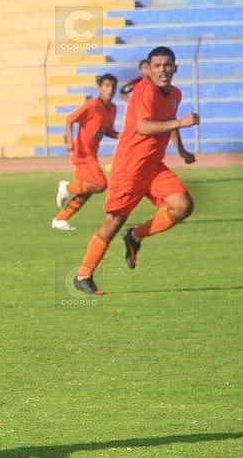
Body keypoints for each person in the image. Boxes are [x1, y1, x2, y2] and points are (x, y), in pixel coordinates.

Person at [73, 47, 199, 295]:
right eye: (157, 65)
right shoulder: (144, 90)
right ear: (149, 69)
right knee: (113, 222)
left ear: (175, 68)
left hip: (152, 167)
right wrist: (180, 122)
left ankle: (135, 236)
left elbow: (167, 124)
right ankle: (83, 275)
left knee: (183, 206)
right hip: (130, 167)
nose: (162, 69)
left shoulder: (175, 93)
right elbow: (143, 126)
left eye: (167, 65)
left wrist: (182, 150)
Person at [52, 74, 119, 231]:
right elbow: (70, 119)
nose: (110, 90)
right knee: (101, 184)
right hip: (82, 153)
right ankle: (66, 188)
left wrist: (122, 136)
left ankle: (60, 220)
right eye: (107, 86)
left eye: (113, 86)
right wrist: (69, 140)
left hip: (92, 153)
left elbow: (107, 130)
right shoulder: (92, 105)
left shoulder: (112, 109)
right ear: (99, 88)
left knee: (86, 191)